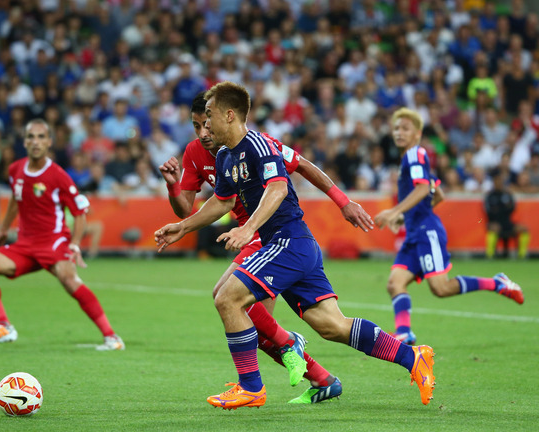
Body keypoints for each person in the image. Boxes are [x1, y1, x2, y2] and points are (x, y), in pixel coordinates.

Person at [155, 82, 436, 410]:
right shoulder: (226, 158)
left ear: (229, 115)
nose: (204, 127)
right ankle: (412, 357)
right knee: (331, 325)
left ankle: (252, 386)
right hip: (292, 246)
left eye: (209, 116)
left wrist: (248, 227)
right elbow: (221, 201)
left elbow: (276, 188)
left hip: (287, 241)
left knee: (227, 298)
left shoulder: (260, 146)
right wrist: (183, 226)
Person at [374, 108, 524, 346]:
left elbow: (423, 189)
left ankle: (497, 283)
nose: (399, 132)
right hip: (415, 232)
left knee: (441, 288)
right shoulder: (412, 158)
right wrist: (404, 218)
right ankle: (404, 332)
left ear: (417, 133)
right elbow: (438, 194)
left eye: (405, 128)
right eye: (396, 128)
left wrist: (394, 211)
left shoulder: (415, 154)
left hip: (427, 232)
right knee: (395, 283)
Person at [0, 119, 124, 351]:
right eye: (31, 136)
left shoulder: (58, 176)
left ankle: (112, 338)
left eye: (41, 137)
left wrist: (74, 244)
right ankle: (3, 326)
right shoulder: (15, 169)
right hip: (25, 245)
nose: (36, 141)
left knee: (69, 279)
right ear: (24, 141)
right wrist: (3, 229)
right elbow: (16, 198)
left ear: (49, 142)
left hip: (53, 243)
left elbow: (79, 212)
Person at [484, 169, 530, 259]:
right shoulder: (489, 195)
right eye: (497, 180)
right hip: (494, 222)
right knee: (494, 227)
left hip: (507, 222)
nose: (499, 182)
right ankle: (490, 255)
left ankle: (522, 255)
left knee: (523, 228)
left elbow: (512, 208)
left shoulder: (508, 194)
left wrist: (499, 210)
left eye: (500, 180)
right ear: (493, 182)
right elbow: (488, 211)